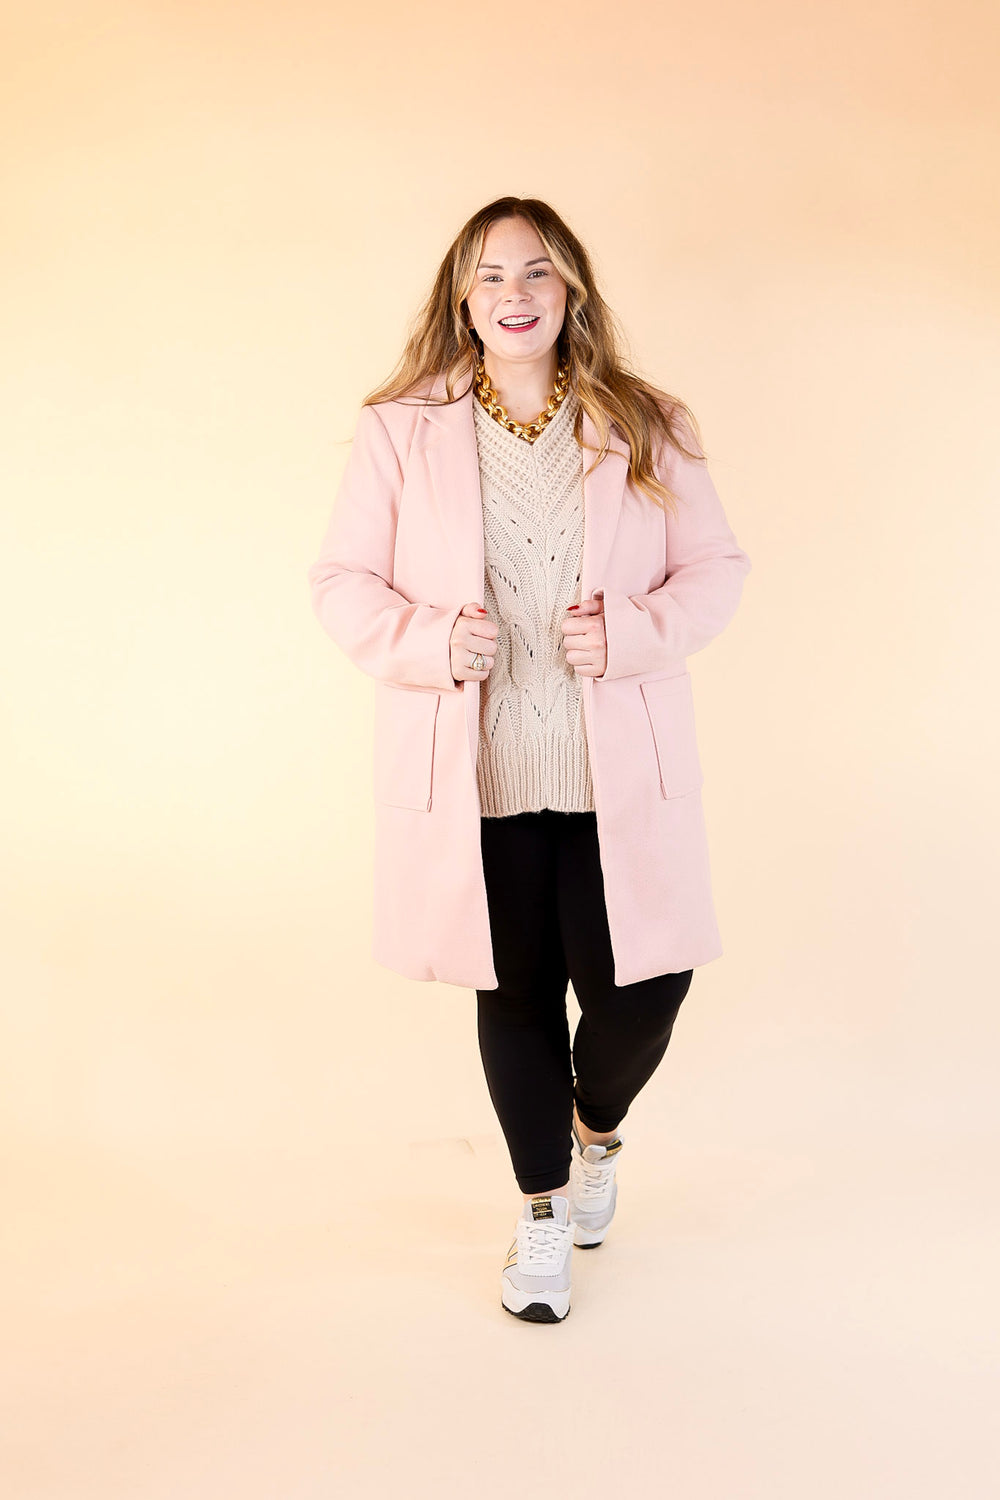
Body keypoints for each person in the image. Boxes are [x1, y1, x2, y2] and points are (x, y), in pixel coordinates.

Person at [307, 196, 751, 1324]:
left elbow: (715, 569)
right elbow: (342, 583)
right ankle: (542, 1211)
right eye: (492, 275)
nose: (516, 295)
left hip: (616, 773)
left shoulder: (646, 420)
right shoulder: (401, 428)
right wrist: (427, 642)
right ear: (462, 298)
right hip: (481, 774)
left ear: (572, 290)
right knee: (514, 995)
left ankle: (595, 1133)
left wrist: (634, 632)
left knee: (643, 990)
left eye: (538, 272)